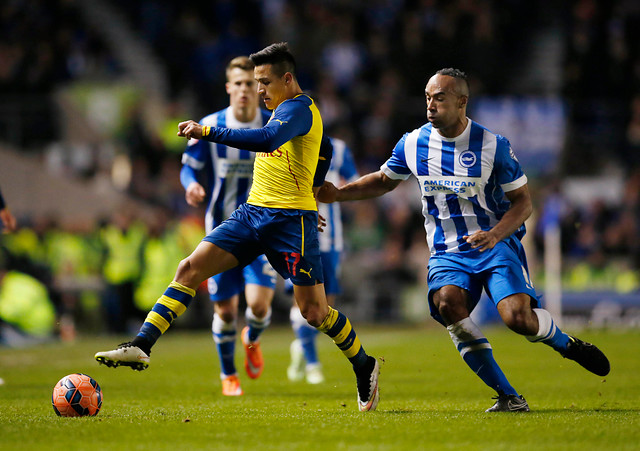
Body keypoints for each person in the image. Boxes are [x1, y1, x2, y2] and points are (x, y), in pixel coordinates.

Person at [95, 42, 380, 412]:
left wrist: (206, 131)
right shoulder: (284, 110)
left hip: (290, 223)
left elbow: (265, 140)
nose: (259, 90)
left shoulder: (299, 107)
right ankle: (141, 344)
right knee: (189, 268)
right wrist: (313, 186)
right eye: (254, 82)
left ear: (288, 79)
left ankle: (364, 364)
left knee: (314, 313)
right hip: (251, 213)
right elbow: (322, 147)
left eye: (264, 82)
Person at [317, 68, 610, 412]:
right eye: (427, 98)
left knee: (517, 318)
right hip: (446, 251)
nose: (431, 105)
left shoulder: (493, 145)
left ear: (462, 102)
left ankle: (567, 344)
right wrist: (337, 194)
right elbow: (384, 179)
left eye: (440, 98)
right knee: (447, 304)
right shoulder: (413, 142)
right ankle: (508, 396)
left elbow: (524, 202)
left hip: (495, 244)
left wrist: (496, 234)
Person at [179, 56, 276, 396]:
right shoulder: (210, 124)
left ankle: (253, 338)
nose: (245, 90)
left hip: (264, 229)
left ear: (258, 86)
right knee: (226, 309)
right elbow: (189, 166)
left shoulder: (273, 124)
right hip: (222, 230)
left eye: (251, 83)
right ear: (228, 88)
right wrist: (191, 184)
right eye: (238, 84)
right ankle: (228, 374)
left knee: (260, 307)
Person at [287, 136, 359, 385]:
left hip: (331, 237)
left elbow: (353, 180)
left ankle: (302, 345)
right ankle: (312, 362)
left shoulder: (337, 148)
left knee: (325, 306)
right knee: (304, 300)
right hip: (297, 234)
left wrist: (340, 186)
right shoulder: (285, 142)